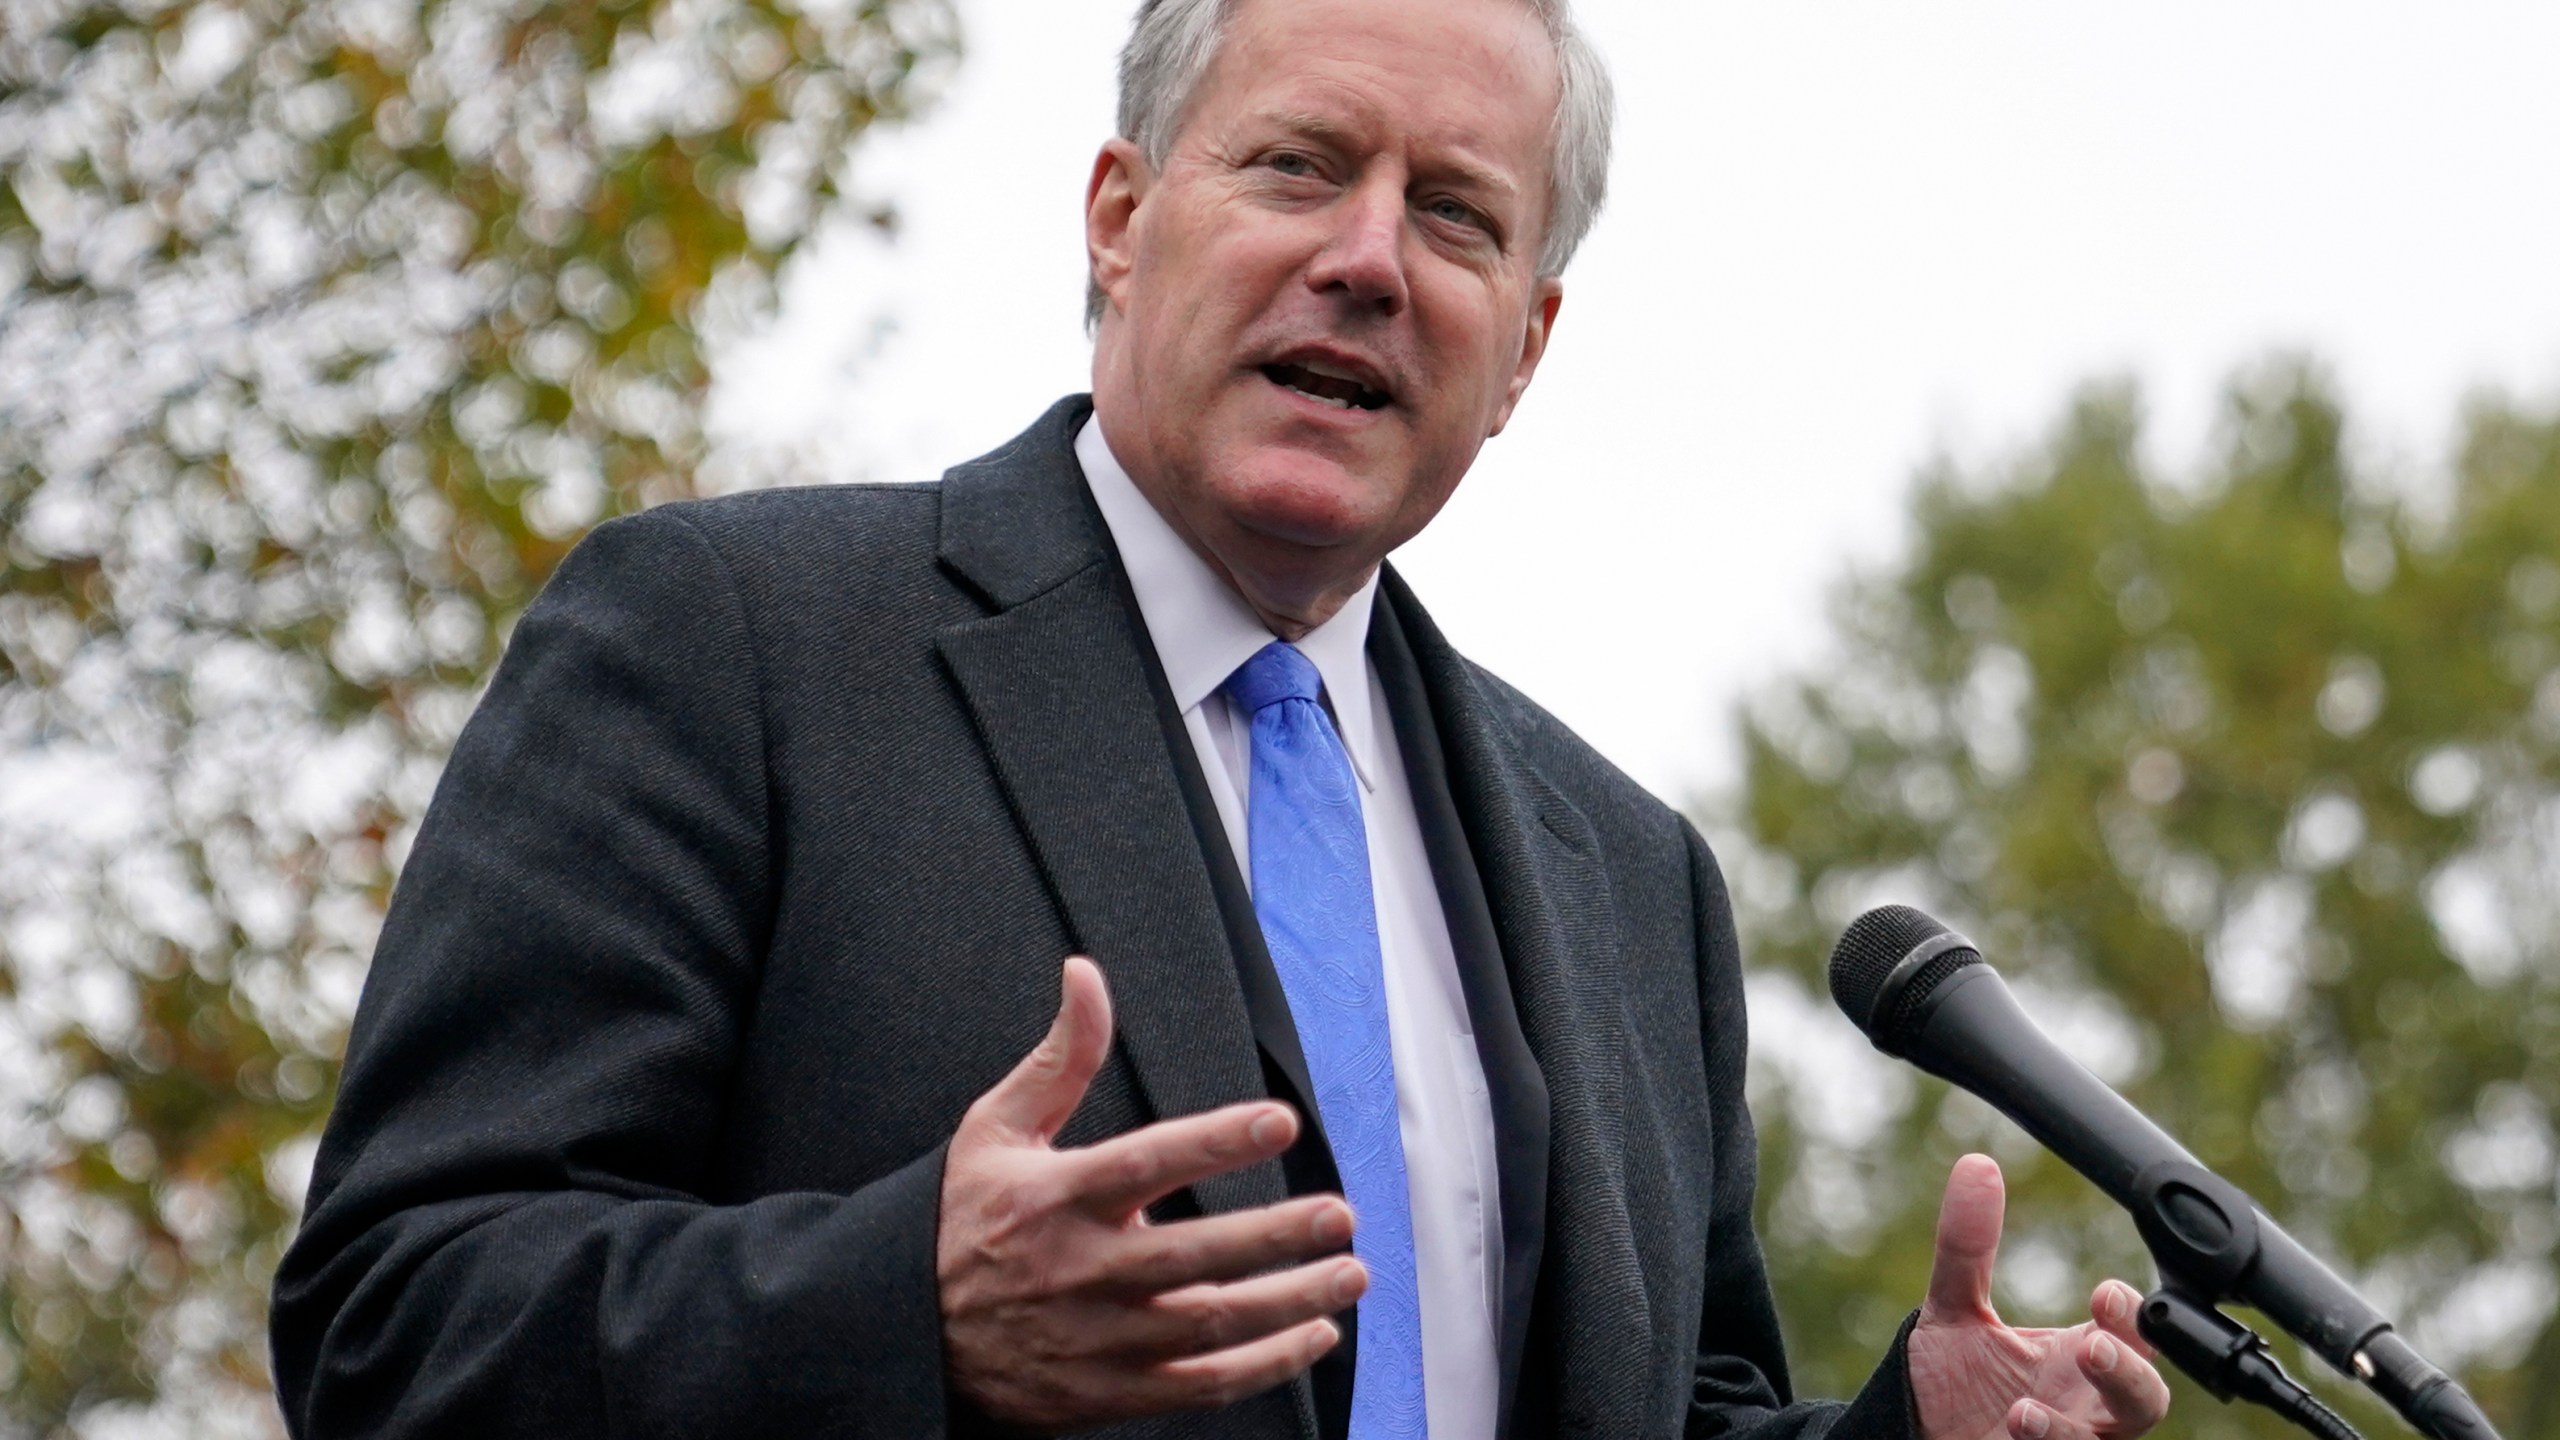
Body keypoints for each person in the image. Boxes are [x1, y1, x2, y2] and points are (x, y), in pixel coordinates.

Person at [270, 0, 2176, 1436]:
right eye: (1295, 165)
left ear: (1524, 346)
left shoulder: (1633, 878)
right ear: (1119, 218)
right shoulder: (733, 646)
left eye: (1453, 214)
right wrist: (899, 1307)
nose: (1366, 255)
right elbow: (392, 1317)